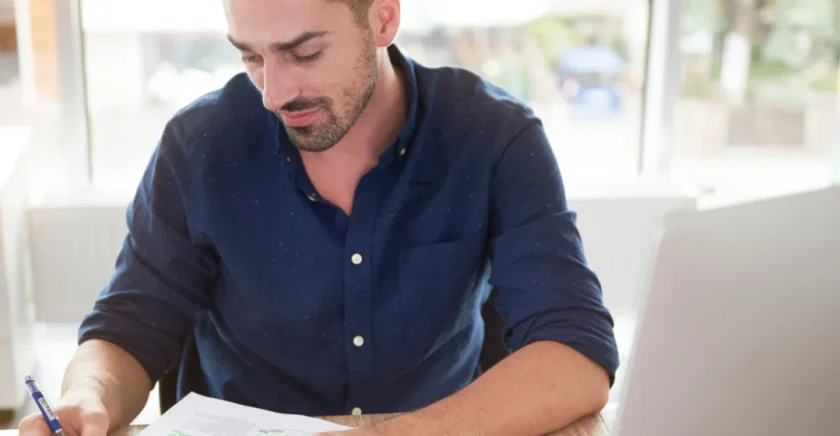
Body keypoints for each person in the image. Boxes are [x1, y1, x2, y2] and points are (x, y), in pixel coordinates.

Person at [18, 1, 618, 435]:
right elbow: (129, 328)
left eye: (304, 52)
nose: (274, 93)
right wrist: (86, 398)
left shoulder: (493, 137)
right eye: (251, 56)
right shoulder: (199, 145)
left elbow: (576, 356)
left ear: (382, 18)